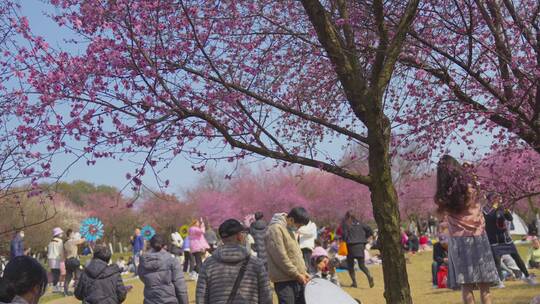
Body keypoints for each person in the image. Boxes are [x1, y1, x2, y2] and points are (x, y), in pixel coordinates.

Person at [435, 155, 499, 304]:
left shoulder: (443, 197)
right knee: (485, 287)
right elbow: (479, 184)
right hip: (479, 238)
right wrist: (470, 168)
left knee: (466, 286)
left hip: (458, 242)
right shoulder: (472, 189)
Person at [196, 219, 272, 304]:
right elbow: (266, 297)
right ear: (240, 236)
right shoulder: (256, 263)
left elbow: (201, 297)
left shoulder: (208, 264)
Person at [483, 193, 536, 286]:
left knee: (517, 257)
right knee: (497, 261)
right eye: (495, 197)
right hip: (494, 239)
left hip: (505, 238)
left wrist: (505, 209)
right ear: (489, 199)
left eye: (499, 197)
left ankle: (527, 277)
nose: (498, 199)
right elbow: (489, 218)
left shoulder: (501, 208)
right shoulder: (485, 209)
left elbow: (510, 218)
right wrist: (496, 207)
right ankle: (500, 281)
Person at [265, 207, 310, 304]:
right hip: (284, 281)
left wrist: (303, 271)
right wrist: (296, 274)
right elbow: (280, 257)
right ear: (291, 219)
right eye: (299, 225)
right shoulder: (275, 229)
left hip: (297, 278)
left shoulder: (289, 229)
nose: (298, 228)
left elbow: (295, 254)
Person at [138, 234, 189, 304]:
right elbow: (180, 286)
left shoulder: (143, 261)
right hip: (169, 300)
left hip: (150, 300)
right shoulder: (172, 260)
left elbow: (142, 277)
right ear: (164, 245)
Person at [341, 211, 374, 288]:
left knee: (350, 266)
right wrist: (365, 237)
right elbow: (370, 230)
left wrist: (344, 240)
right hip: (360, 245)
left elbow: (345, 235)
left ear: (347, 216)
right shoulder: (361, 223)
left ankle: (354, 282)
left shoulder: (346, 224)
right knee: (362, 265)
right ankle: (369, 275)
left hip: (350, 246)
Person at [63, 229, 85, 296]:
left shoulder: (65, 243)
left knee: (68, 277)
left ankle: (65, 292)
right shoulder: (72, 241)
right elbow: (81, 241)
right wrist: (86, 236)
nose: (74, 234)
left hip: (67, 261)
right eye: (73, 233)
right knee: (77, 276)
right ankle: (76, 291)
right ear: (70, 234)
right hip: (74, 260)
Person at [47, 227, 64, 293]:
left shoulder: (51, 241)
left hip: (50, 259)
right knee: (57, 273)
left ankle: (55, 287)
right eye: (61, 233)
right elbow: (61, 251)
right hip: (56, 258)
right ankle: (55, 288)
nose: (61, 234)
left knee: (54, 273)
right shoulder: (60, 241)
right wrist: (62, 259)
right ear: (58, 234)